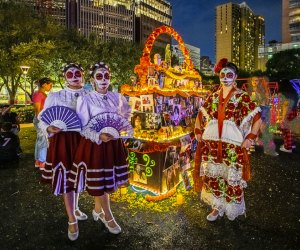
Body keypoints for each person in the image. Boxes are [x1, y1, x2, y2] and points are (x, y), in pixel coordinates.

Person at [193, 58, 262, 221]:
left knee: (230, 178)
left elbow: (257, 117)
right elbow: (200, 114)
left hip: (232, 147)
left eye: (229, 74)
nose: (225, 77)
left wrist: (250, 138)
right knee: (214, 177)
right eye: (222, 74)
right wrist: (197, 130)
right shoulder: (213, 96)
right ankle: (216, 208)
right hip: (212, 145)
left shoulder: (242, 97)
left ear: (235, 77)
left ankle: (229, 208)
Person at [68, 61, 131, 235]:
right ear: (92, 79)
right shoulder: (85, 99)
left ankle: (98, 210)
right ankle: (108, 216)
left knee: (105, 180)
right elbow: (83, 127)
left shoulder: (117, 97)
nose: (103, 80)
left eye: (106, 76)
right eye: (99, 76)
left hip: (113, 144)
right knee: (100, 181)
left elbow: (126, 114)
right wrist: (98, 136)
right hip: (95, 145)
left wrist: (121, 128)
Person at [38, 63, 89, 241]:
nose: (74, 76)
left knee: (79, 176)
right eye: (70, 73)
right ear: (65, 77)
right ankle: (71, 219)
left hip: (82, 140)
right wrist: (49, 127)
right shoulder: (55, 96)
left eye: (77, 73)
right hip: (63, 141)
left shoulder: (90, 96)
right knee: (67, 178)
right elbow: (42, 118)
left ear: (83, 75)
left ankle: (75, 207)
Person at [247, 76, 278, 156]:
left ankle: (267, 149)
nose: (255, 82)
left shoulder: (261, 90)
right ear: (251, 81)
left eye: (256, 80)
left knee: (264, 129)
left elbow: (265, 100)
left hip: (263, 109)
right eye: (253, 80)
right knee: (252, 128)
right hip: (254, 110)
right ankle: (251, 147)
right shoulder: (250, 90)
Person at [32, 77, 53, 168]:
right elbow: (37, 110)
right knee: (43, 140)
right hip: (41, 120)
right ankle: (42, 161)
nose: (51, 87)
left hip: (42, 119)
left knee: (40, 139)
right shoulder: (38, 94)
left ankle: (38, 160)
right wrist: (41, 122)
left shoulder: (42, 94)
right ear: (44, 84)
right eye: (50, 85)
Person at [279, 79, 299, 153]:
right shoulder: (294, 93)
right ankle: (290, 144)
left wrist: (283, 118)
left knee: (285, 129)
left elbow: (285, 106)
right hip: (294, 111)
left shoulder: (284, 93)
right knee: (290, 128)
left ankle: (288, 147)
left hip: (288, 112)